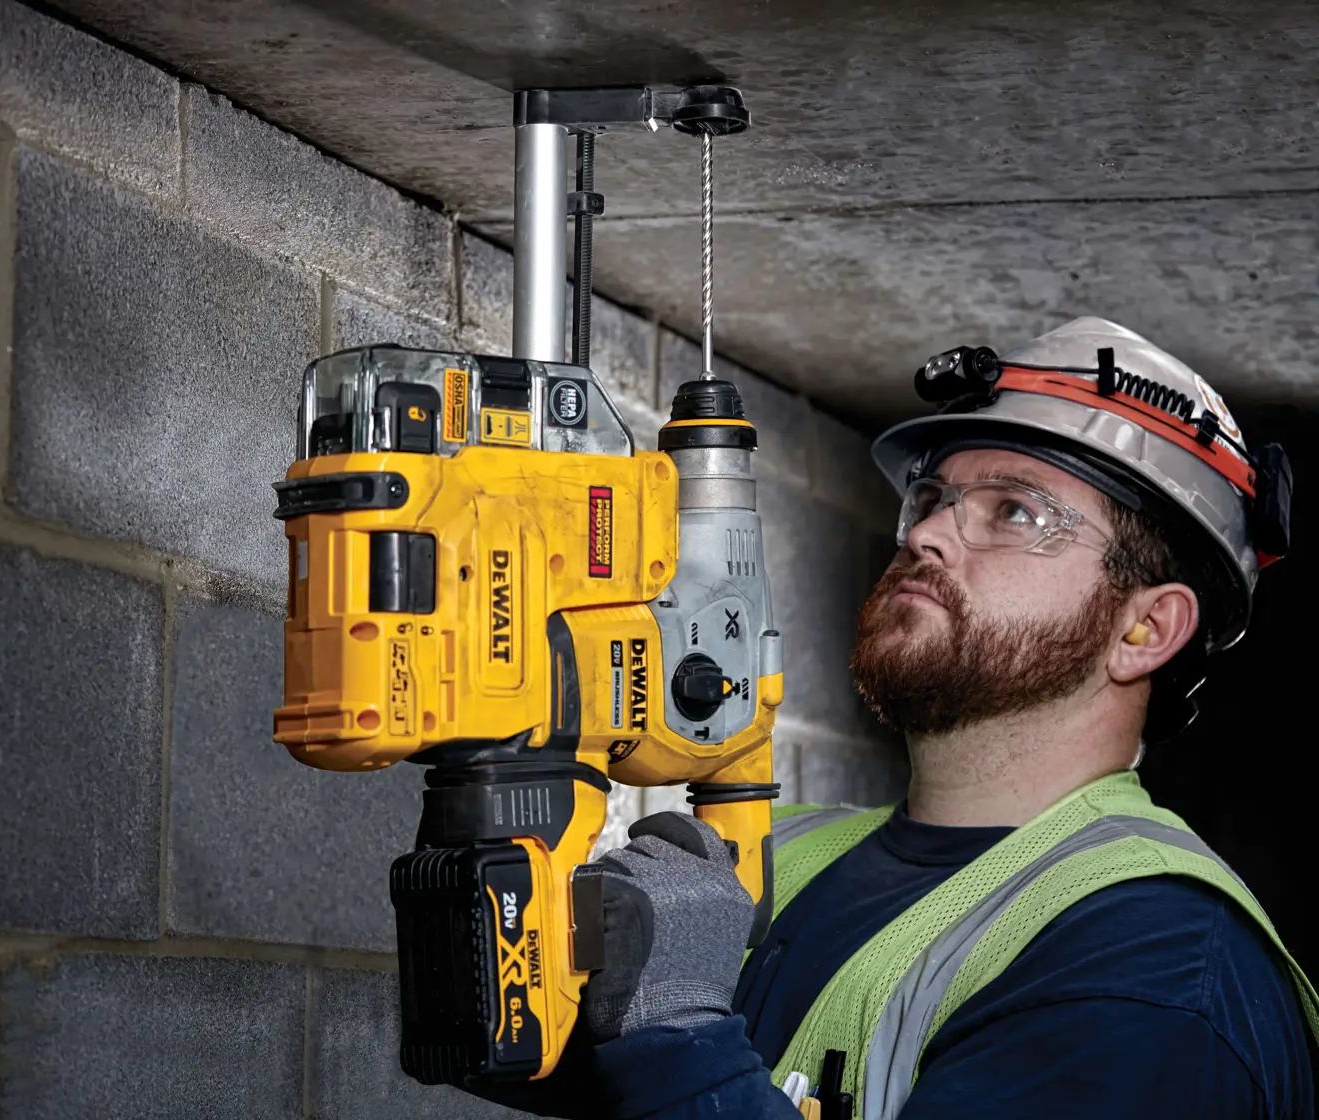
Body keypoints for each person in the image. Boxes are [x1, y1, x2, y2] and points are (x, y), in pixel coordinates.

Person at [474, 317, 1317, 1119]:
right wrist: (485, 761)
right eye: (934, 496)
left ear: (1147, 630)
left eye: (1015, 512)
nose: (930, 533)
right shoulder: (779, 854)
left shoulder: (1158, 968)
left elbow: (668, 1047)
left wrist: (676, 1027)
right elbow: (493, 1041)